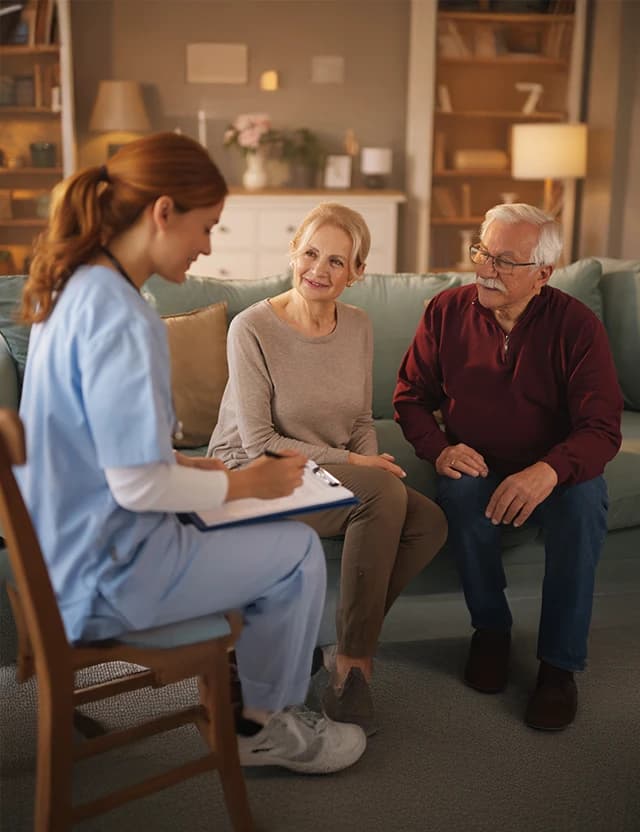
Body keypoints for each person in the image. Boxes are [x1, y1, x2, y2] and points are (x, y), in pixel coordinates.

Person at [16, 132, 367, 774]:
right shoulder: (126, 318)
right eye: (206, 227)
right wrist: (247, 486)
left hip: (58, 559)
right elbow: (137, 488)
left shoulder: (72, 289)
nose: (208, 246)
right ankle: (266, 726)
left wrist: (186, 466)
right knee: (295, 552)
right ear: (162, 213)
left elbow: (96, 450)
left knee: (259, 530)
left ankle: (254, 697)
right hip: (106, 575)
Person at [208, 202, 448, 736]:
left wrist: (374, 459)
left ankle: (337, 643)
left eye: (337, 262)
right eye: (311, 253)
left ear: (357, 273)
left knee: (429, 521)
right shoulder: (251, 328)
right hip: (251, 475)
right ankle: (352, 669)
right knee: (381, 497)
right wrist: (362, 465)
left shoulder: (358, 325)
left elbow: (361, 418)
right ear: (293, 252)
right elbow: (260, 441)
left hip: (322, 473)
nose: (320, 269)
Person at [393, 202, 623, 731]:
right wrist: (440, 449)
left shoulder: (578, 327)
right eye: (482, 252)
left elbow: (601, 428)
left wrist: (549, 470)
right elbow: (409, 397)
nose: (484, 269)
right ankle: (491, 632)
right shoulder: (446, 311)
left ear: (543, 274)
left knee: (586, 505)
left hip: (556, 469)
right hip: (477, 459)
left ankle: (559, 666)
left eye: (504, 261)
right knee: (460, 494)